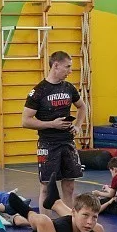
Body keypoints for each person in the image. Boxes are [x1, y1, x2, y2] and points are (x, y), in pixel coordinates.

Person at [23, 50, 86, 212]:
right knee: (46, 187)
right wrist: (52, 124)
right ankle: (44, 222)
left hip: (67, 142)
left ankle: (68, 219)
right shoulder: (39, 91)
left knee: (69, 185)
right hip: (48, 144)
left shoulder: (69, 88)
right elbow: (26, 121)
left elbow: (82, 107)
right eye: (67, 67)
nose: (70, 71)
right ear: (56, 65)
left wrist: (78, 125)